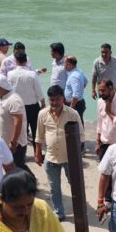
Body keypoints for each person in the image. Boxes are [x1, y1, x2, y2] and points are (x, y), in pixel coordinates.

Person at [35, 85, 84, 221]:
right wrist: (37, 153)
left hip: (70, 159)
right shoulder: (42, 114)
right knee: (54, 188)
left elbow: (81, 136)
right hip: (50, 158)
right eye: (51, 100)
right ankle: (59, 212)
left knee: (76, 187)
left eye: (57, 99)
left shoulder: (73, 114)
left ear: (63, 98)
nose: (54, 103)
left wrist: (77, 155)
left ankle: (80, 210)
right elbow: (39, 136)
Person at [0, 75, 30, 173]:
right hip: (4, 142)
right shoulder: (3, 97)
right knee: (12, 167)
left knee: (17, 167)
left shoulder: (13, 100)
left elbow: (18, 121)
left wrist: (13, 142)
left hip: (15, 144)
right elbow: (0, 110)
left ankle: (31, 181)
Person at [8, 50, 46, 152]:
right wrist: (43, 103)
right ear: (26, 61)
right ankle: (37, 153)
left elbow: (9, 91)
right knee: (36, 132)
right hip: (33, 107)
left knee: (21, 132)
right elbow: (39, 91)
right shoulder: (32, 75)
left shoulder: (10, 74)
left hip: (17, 107)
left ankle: (21, 154)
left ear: (16, 61)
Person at [63, 55, 88, 125]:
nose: (63, 65)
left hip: (74, 104)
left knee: (73, 125)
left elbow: (76, 95)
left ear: (69, 65)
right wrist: (81, 90)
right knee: (79, 122)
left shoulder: (73, 76)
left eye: (64, 63)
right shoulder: (79, 71)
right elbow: (86, 81)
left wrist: (71, 109)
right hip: (79, 102)